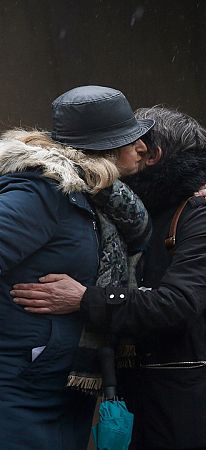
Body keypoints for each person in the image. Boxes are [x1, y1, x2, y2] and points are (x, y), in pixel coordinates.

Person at [13, 103, 206, 449]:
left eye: (131, 143)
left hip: (201, 412)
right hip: (143, 403)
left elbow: (179, 303)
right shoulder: (124, 213)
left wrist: (84, 298)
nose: (122, 151)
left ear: (153, 155)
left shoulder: (202, 217)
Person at [0, 117, 151, 447]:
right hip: (22, 384)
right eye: (131, 139)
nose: (142, 148)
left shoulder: (98, 196)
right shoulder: (43, 189)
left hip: (59, 386)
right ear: (102, 145)